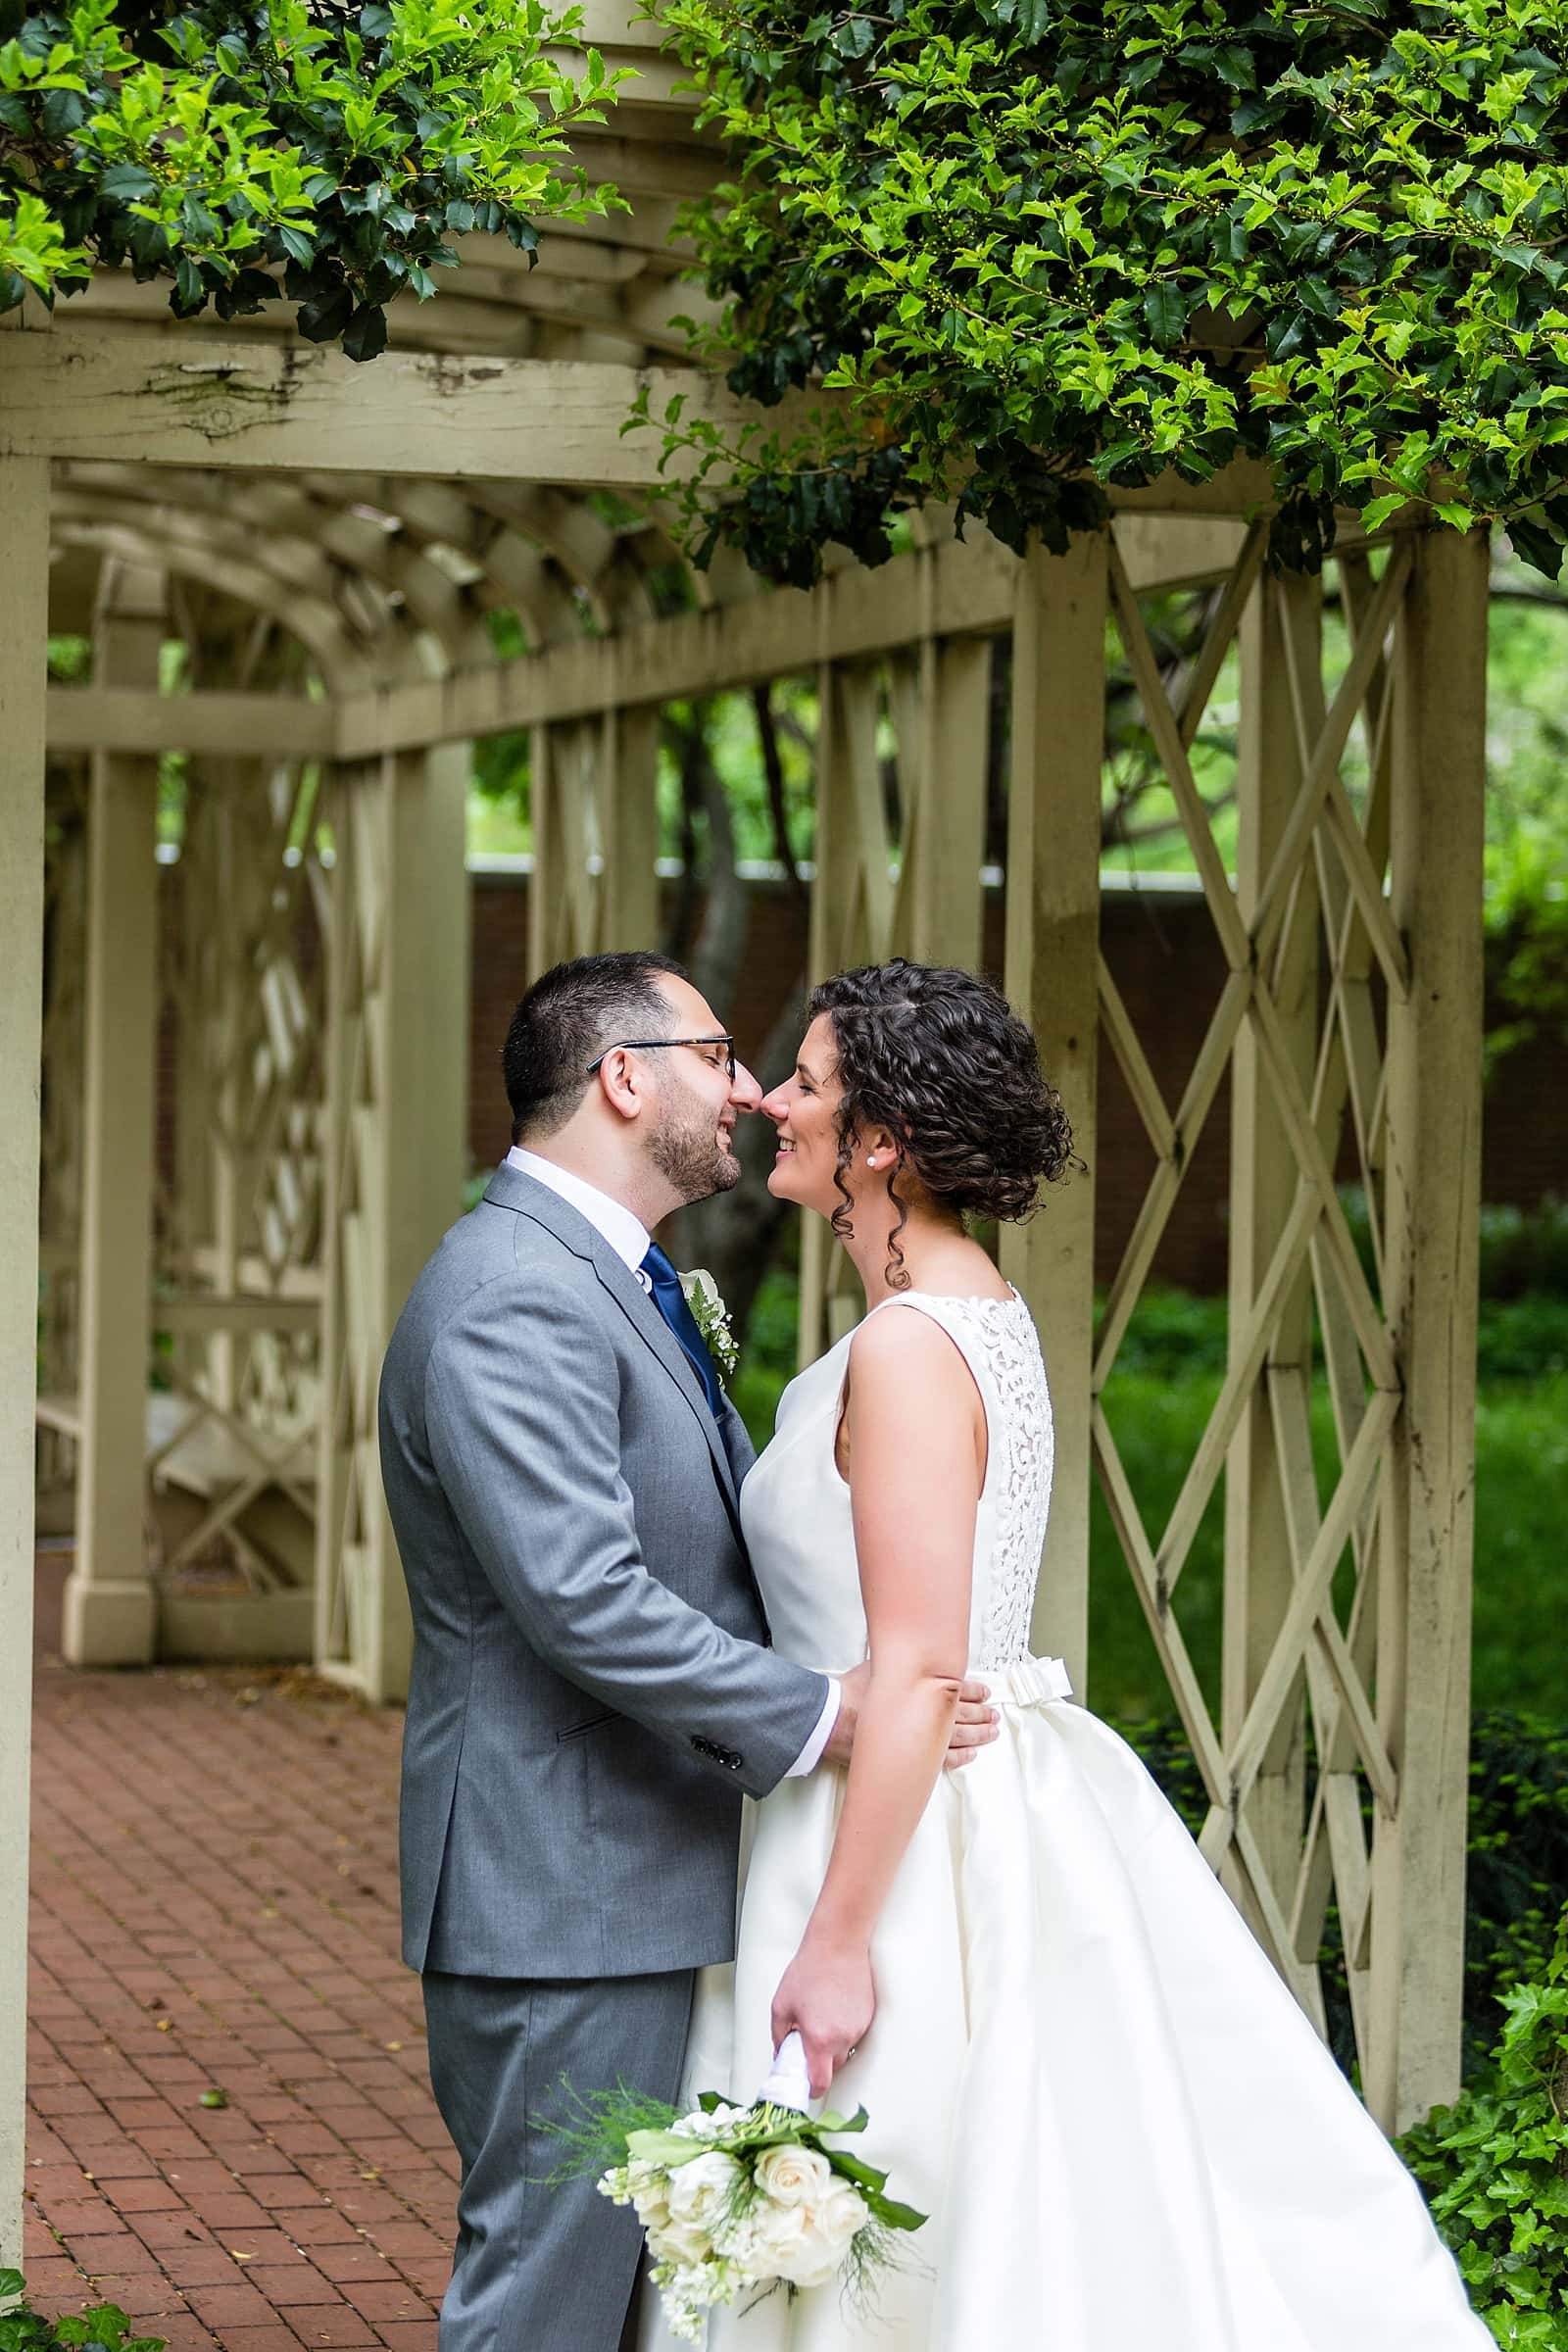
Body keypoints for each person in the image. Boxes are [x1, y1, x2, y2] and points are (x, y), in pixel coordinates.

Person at [642, 956, 1490, 2351]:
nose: (771, 1104)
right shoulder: (972, 1310)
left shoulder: (913, 1347)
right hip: (920, 1789)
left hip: (901, 1843)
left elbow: (917, 1666)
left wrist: (841, 1943)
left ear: (882, 1142)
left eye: (805, 1083)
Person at [376, 951, 998, 2352]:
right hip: (567, 1893)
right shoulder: (512, 1295)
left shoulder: (622, 1280)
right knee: (547, 2299)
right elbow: (585, 1599)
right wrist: (831, 1715)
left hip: (645, 1875)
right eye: (720, 1056)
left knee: (625, 2299)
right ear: (621, 1076)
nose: (751, 1092)